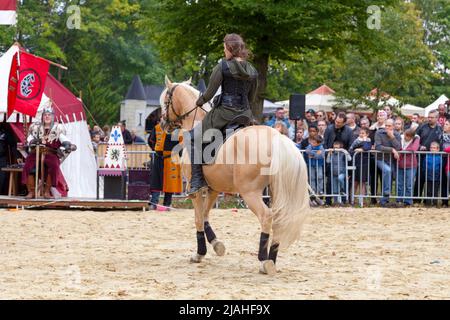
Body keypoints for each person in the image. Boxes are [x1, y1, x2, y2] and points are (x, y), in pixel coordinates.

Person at [189, 33, 258, 195]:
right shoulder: (253, 70)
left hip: (225, 113)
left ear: (230, 48)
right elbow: (252, 97)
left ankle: (197, 180)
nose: (224, 51)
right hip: (245, 114)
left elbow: (210, 93)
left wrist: (199, 101)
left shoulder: (223, 66)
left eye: (224, 48)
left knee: (192, 138)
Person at [22, 107, 76, 199]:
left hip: (50, 153)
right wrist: (33, 141)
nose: (47, 117)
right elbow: (30, 139)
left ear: (52, 117)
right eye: (45, 115)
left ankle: (47, 191)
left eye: (49, 115)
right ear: (42, 117)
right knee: (28, 166)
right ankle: (31, 191)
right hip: (36, 153)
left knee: (54, 166)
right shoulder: (36, 127)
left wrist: (67, 144)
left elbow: (64, 139)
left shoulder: (57, 128)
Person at [148, 118, 183, 210]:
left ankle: (167, 204)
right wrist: (156, 150)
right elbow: (151, 141)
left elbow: (182, 144)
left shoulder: (177, 129)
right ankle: (154, 202)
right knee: (156, 181)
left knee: (170, 182)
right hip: (158, 158)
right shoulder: (157, 128)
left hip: (171, 159)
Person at [414, 110, 443, 202]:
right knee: (420, 179)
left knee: (433, 180)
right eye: (428, 117)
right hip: (421, 156)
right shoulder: (422, 127)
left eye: (431, 117)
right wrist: (419, 146)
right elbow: (414, 139)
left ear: (437, 118)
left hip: (435, 158)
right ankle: (416, 200)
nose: (429, 119)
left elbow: (441, 143)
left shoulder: (440, 129)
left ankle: (430, 201)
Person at [374, 119, 401, 207]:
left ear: (393, 126)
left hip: (391, 160)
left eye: (389, 126)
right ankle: (386, 193)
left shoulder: (396, 134)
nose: (387, 127)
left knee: (391, 177)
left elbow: (398, 147)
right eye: (386, 125)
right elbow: (378, 146)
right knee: (388, 170)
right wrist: (392, 149)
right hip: (380, 159)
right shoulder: (379, 133)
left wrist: (392, 137)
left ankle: (384, 201)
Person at [396, 129, 420, 207]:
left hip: (411, 165)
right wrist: (402, 151)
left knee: (409, 184)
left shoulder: (416, 139)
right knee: (400, 183)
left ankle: (408, 201)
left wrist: (402, 151)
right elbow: (397, 147)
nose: (406, 137)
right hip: (400, 164)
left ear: (412, 137)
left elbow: (414, 148)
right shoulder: (401, 138)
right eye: (406, 135)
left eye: (408, 136)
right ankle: (399, 200)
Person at [349, 127, 372, 206]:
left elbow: (367, 147)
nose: (361, 135)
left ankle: (361, 200)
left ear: (367, 134)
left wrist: (362, 148)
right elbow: (351, 149)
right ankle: (351, 199)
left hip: (364, 163)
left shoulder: (368, 141)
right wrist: (360, 148)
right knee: (355, 181)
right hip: (356, 162)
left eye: (363, 133)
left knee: (362, 182)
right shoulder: (356, 141)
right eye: (360, 133)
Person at [326, 140, 351, 205]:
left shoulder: (343, 153)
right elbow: (328, 161)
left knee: (340, 178)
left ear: (341, 147)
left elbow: (349, 159)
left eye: (337, 147)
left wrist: (345, 151)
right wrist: (329, 154)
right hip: (333, 173)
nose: (336, 149)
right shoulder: (332, 154)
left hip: (342, 172)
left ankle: (342, 189)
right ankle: (336, 201)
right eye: (335, 148)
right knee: (335, 188)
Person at [425, 141, 442, 206]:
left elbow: (441, 167)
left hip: (437, 177)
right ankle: (428, 203)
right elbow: (424, 166)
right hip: (428, 177)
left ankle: (435, 203)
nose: (432, 149)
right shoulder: (427, 156)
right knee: (428, 191)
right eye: (431, 148)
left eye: (434, 148)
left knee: (435, 191)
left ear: (438, 149)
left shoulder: (440, 157)